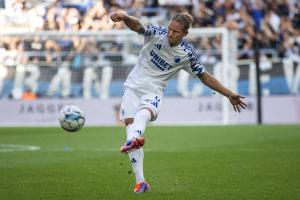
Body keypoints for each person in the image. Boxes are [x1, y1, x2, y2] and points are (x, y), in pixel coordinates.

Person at [110, 11, 247, 193]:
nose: (170, 33)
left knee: (143, 115)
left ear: (185, 34)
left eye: (175, 31)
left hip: (154, 90)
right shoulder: (157, 33)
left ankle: (136, 138)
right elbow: (139, 27)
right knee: (130, 128)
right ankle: (141, 181)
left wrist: (229, 94)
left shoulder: (186, 54)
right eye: (170, 29)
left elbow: (204, 76)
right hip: (132, 88)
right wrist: (125, 17)